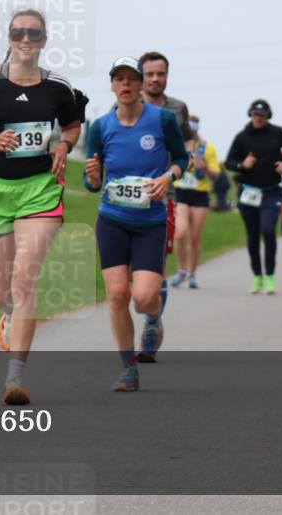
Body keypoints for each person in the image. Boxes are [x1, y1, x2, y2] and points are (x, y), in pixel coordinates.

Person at [0, 8, 82, 406]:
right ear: (9, 37)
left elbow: (73, 125)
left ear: (44, 41)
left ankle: (14, 378)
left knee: (25, 280)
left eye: (34, 33)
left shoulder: (58, 86)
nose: (26, 39)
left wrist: (63, 144)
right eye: (18, 32)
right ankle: (7, 316)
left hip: (39, 190)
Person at [85, 57, 187, 389]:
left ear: (141, 84)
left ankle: (153, 318)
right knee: (117, 295)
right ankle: (128, 368)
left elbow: (181, 158)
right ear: (112, 85)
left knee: (143, 298)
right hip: (112, 220)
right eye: (119, 79)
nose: (126, 85)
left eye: (132, 79)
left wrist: (168, 177)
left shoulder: (163, 119)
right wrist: (92, 178)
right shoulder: (100, 126)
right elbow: (92, 183)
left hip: (150, 222)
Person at [138, 51, 192, 326]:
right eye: (150, 74)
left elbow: (188, 141)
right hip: (128, 197)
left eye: (160, 74)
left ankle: (152, 322)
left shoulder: (177, 108)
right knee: (126, 274)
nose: (156, 79)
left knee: (155, 267)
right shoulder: (124, 106)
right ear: (141, 77)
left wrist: (187, 159)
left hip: (163, 197)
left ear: (167, 76)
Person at [224, 99, 282, 295]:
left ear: (268, 116)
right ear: (250, 114)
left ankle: (270, 276)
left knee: (268, 230)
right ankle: (257, 275)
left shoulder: (278, 133)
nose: (258, 118)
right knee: (253, 235)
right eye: (255, 114)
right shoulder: (242, 137)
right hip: (248, 192)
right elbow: (229, 162)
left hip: (271, 191)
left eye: (262, 115)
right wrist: (242, 165)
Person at [168, 115, 220, 289]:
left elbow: (216, 174)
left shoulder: (208, 148)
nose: (191, 131)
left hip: (200, 194)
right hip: (181, 192)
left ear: (197, 128)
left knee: (195, 238)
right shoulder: (177, 144)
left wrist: (204, 167)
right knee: (180, 232)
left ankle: (192, 274)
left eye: (193, 127)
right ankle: (181, 268)